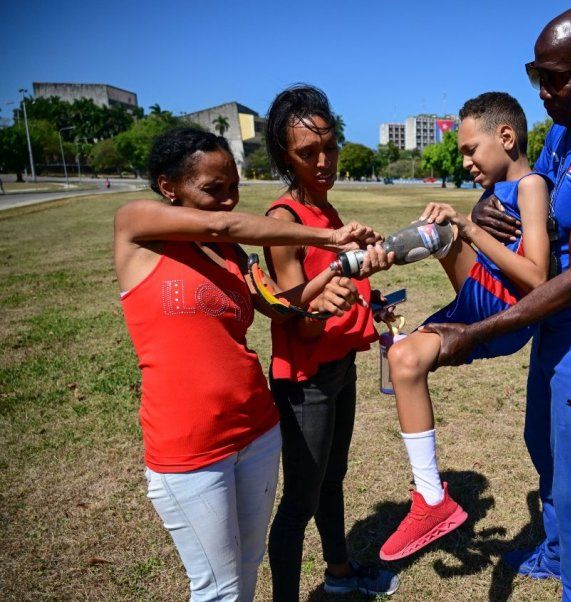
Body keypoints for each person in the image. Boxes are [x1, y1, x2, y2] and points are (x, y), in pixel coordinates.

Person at [421, 7, 571, 601]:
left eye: (556, 78)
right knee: (544, 443)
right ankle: (557, 552)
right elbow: (532, 200)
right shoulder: (563, 129)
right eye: (538, 77)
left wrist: (477, 333)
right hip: (559, 320)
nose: (544, 92)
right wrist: (484, 208)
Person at [114, 127, 376, 601]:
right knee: (219, 588)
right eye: (213, 190)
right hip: (189, 445)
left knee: (247, 571)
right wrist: (330, 237)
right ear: (167, 185)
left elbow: (279, 306)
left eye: (234, 187)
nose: (229, 202)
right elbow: (223, 225)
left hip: (255, 429)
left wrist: (334, 276)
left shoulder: (232, 254)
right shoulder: (136, 226)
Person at [379, 92, 551, 561]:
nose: (468, 161)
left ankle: (431, 500)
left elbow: (537, 277)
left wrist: (469, 228)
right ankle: (431, 498)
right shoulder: (495, 190)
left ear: (507, 137)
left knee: (405, 355)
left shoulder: (531, 185)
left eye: (471, 149)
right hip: (478, 293)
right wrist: (464, 220)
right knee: (403, 355)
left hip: (501, 312)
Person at [262, 84, 400, 600]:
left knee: (333, 479)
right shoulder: (285, 220)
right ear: (283, 155)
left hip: (341, 365)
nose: (323, 161)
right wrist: (325, 306)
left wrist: (370, 299)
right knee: (299, 499)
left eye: (330, 147)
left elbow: (336, 285)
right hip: (306, 381)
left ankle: (339, 574)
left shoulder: (328, 211)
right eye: (307, 152)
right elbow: (296, 318)